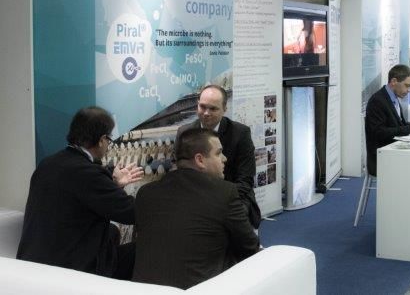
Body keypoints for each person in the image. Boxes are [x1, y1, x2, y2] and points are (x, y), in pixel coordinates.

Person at [17, 107, 143, 278]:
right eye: (109, 140)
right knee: (142, 250)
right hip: (69, 271)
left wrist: (113, 185)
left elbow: (77, 199)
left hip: (32, 262)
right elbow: (132, 213)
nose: (108, 145)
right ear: (101, 140)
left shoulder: (47, 164)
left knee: (112, 232)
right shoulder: (89, 174)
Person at [133, 127, 260, 289]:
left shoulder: (145, 193)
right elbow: (250, 247)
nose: (225, 159)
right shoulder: (225, 192)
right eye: (219, 153)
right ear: (200, 160)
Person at [177, 85, 261, 228]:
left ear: (224, 109)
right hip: (195, 197)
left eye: (213, 109)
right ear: (197, 104)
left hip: (233, 197)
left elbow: (245, 181)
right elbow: (180, 172)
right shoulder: (184, 132)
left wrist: (214, 200)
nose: (206, 113)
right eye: (202, 107)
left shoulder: (240, 133)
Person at [365, 64, 410, 176]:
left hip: (394, 152)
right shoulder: (377, 101)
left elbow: (399, 125)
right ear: (394, 81)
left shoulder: (393, 98)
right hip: (382, 157)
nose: (409, 90)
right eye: (407, 86)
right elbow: (379, 133)